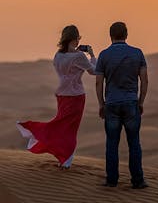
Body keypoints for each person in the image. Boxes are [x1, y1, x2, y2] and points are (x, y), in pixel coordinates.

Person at [17, 25, 97, 168]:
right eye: (78, 38)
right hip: (76, 96)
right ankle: (36, 132)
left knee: (61, 124)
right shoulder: (79, 56)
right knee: (70, 129)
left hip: (61, 96)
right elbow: (94, 71)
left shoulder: (58, 56)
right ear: (75, 39)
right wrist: (92, 55)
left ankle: (63, 157)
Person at [95, 21, 149, 189]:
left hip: (111, 103)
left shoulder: (104, 55)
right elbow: (145, 80)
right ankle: (138, 181)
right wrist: (141, 102)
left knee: (112, 143)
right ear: (126, 35)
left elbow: (98, 83)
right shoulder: (137, 53)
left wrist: (101, 104)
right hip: (131, 102)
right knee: (134, 143)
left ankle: (112, 180)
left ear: (110, 36)